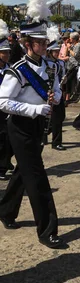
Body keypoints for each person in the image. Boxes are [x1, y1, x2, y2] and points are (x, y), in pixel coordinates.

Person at [0, 0, 68, 249]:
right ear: (28, 44)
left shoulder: (50, 68)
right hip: (20, 127)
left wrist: (55, 97)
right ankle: (47, 230)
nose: (44, 45)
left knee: (23, 172)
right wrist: (35, 110)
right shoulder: (16, 71)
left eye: (44, 41)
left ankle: (5, 211)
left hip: (39, 125)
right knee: (37, 178)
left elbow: (58, 92)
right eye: (39, 42)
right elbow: (3, 101)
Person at [46, 27, 67, 151]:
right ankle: (56, 142)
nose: (57, 52)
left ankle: (52, 134)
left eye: (58, 50)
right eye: (54, 51)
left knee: (60, 117)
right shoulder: (47, 63)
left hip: (59, 92)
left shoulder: (61, 63)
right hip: (51, 93)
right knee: (54, 118)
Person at [0, 21, 14, 180]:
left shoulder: (9, 68)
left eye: (8, 52)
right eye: (4, 52)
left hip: (7, 107)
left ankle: (5, 161)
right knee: (2, 138)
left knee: (9, 138)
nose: (7, 55)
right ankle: (1, 168)